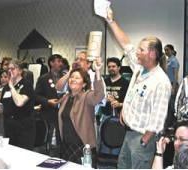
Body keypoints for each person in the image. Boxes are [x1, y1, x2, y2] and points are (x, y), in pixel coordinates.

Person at [102, 7, 171, 168]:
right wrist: (111, 21)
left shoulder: (161, 81)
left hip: (141, 138)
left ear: (152, 54)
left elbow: (159, 117)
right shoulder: (140, 69)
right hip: (129, 133)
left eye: (141, 49)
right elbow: (126, 45)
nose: (137, 52)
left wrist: (145, 138)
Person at [58, 57, 105, 168]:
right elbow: (58, 87)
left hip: (82, 145)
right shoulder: (66, 97)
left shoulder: (87, 96)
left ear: (84, 84)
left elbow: (99, 95)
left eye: (77, 78)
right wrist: (71, 70)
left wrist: (97, 71)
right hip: (66, 144)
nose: (73, 79)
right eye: (71, 77)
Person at [0, 60, 36, 150]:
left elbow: (19, 103)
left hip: (23, 128)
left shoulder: (26, 85)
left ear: (20, 71)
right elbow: (3, 106)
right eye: (8, 69)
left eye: (13, 68)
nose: (9, 71)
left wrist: (11, 86)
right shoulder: (6, 87)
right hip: (9, 127)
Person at [35, 54, 63, 151]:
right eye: (58, 61)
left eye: (61, 61)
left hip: (63, 113)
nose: (61, 63)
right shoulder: (43, 78)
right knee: (49, 142)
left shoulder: (65, 77)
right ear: (51, 63)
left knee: (61, 141)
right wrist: (47, 101)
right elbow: (36, 96)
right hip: (48, 113)